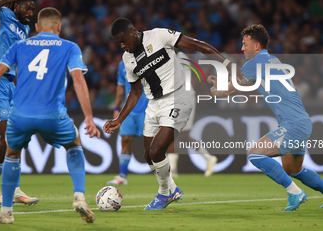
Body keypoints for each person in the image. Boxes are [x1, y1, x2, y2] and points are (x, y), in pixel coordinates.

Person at [104, 17, 244, 210]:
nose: (122, 46)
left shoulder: (159, 36)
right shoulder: (128, 59)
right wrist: (119, 118)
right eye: (118, 43)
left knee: (156, 151)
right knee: (147, 155)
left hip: (178, 96)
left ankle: (165, 193)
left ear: (133, 31)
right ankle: (171, 189)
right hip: (154, 104)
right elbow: (135, 91)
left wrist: (228, 65)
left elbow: (197, 45)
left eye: (124, 40)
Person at [0, 7, 100, 224]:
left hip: (20, 115)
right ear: (59, 27)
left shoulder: (19, 45)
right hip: (53, 114)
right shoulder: (70, 47)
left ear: (36, 27)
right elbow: (78, 81)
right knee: (74, 144)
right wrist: (89, 118)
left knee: (11, 152)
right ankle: (79, 198)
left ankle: (6, 212)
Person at [209, 24, 323, 211]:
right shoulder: (273, 60)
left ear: (256, 46)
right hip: (302, 121)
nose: (242, 48)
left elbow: (231, 89)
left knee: (254, 154)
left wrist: (216, 91)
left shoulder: (254, 63)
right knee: (293, 169)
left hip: (293, 124)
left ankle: (295, 192)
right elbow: (246, 83)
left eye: (245, 44)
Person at [0, 0, 39, 205]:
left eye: (33, 9)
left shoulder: (24, 31)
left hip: (10, 84)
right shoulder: (4, 14)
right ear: (16, 5)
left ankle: (13, 187)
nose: (30, 12)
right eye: (27, 7)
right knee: (10, 136)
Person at [167, 52, 218, 179]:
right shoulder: (181, 57)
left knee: (173, 133)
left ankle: (172, 171)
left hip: (183, 98)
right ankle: (209, 158)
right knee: (183, 134)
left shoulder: (178, 57)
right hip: (185, 97)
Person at [107, 60, 148, 185]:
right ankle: (122, 176)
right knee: (125, 140)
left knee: (153, 143)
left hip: (148, 109)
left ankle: (163, 175)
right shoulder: (121, 64)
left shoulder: (148, 59)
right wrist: (116, 108)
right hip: (128, 110)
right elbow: (120, 87)